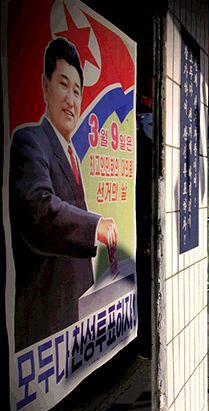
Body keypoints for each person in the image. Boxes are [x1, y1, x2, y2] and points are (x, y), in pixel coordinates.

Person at [9, 37, 118, 351]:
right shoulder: (30, 140)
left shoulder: (70, 152)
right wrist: (94, 225)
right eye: (62, 84)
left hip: (76, 312)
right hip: (46, 321)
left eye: (77, 91)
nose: (71, 99)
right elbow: (39, 208)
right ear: (45, 85)